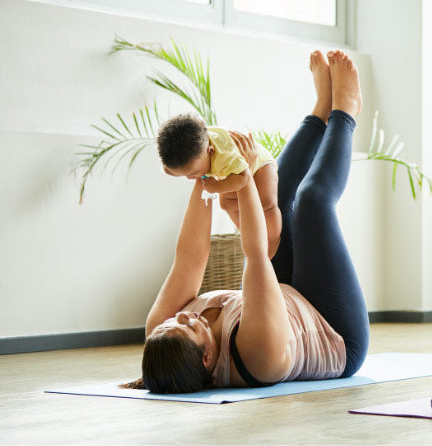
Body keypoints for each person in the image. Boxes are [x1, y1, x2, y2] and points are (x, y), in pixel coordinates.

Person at [125, 50, 369, 394]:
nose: (177, 317)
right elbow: (256, 253)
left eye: (167, 325)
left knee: (279, 203)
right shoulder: (257, 356)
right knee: (313, 202)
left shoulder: (162, 337)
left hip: (283, 294)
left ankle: (321, 108)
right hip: (333, 326)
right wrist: (243, 176)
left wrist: (204, 171)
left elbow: (190, 258)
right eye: (186, 326)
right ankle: (345, 111)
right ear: (209, 356)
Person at [157, 114, 281, 258]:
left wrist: (216, 186)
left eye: (194, 172)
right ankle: (248, 233)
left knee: (266, 203)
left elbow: (243, 178)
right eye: (185, 175)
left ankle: (274, 239)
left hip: (260, 166)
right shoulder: (196, 144)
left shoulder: (224, 156)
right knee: (226, 203)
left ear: (210, 151)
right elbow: (168, 168)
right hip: (234, 172)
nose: (190, 178)